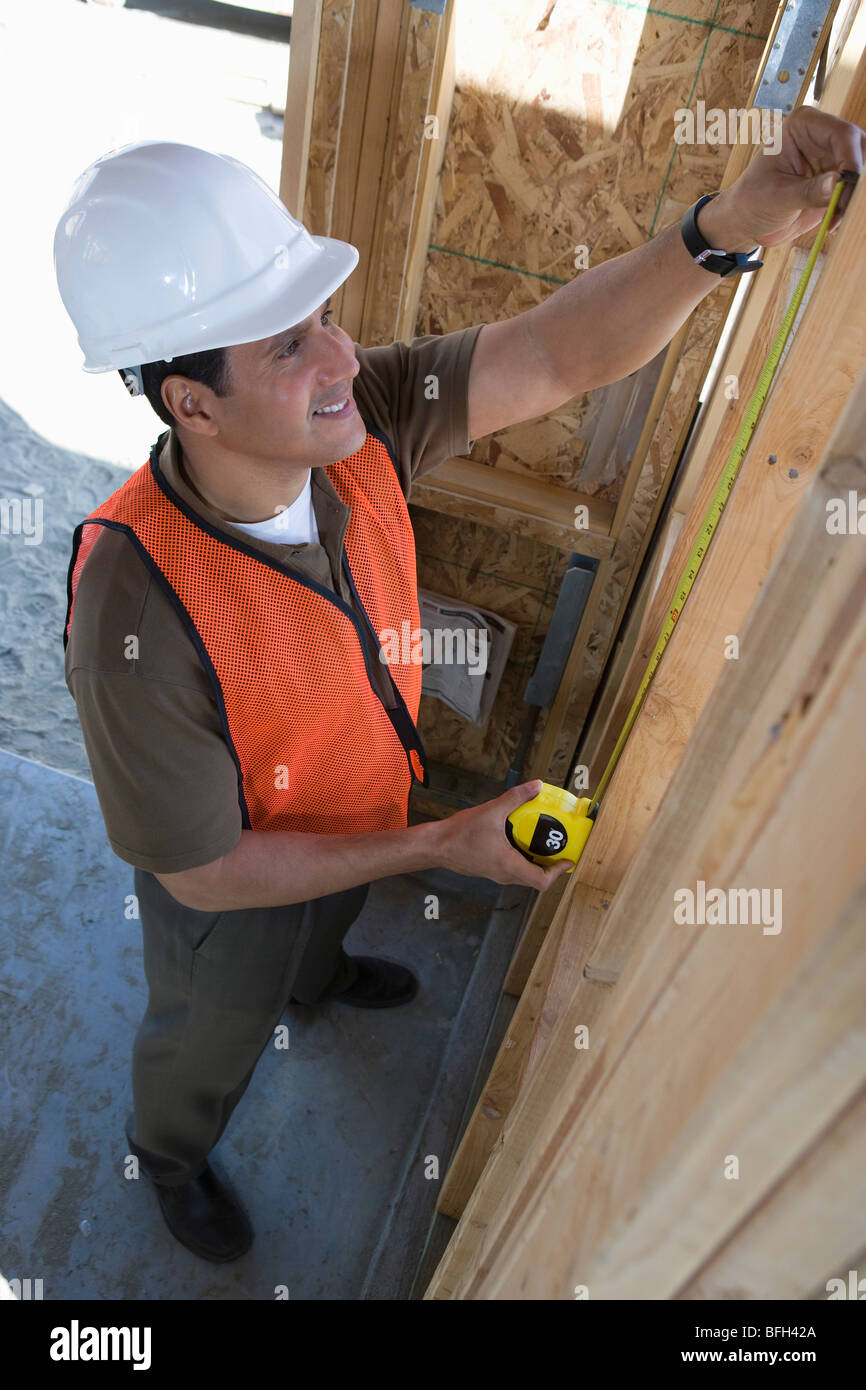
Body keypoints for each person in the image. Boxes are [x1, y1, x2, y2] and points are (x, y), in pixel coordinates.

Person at [54, 110, 863, 1263]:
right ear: (190, 402)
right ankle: (171, 1151)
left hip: (355, 813)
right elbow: (207, 866)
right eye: (287, 346)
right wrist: (438, 849)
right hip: (231, 893)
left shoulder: (355, 420)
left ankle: (320, 978)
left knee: (329, 920)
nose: (341, 358)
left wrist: (718, 231)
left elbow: (550, 354)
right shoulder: (133, 607)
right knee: (209, 1030)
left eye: (323, 320)